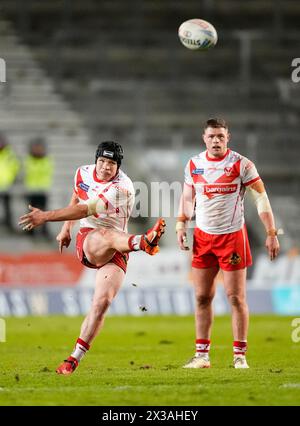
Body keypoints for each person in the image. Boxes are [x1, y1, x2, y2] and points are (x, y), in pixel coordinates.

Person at [19, 141, 166, 375]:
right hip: (90, 240)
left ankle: (73, 359)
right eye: (102, 161)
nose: (105, 167)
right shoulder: (83, 172)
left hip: (117, 247)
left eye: (111, 163)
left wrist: (46, 216)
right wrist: (66, 228)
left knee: (102, 302)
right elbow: (78, 199)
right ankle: (142, 243)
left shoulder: (123, 187)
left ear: (118, 166)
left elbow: (84, 208)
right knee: (107, 234)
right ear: (96, 160)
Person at [176, 118, 280, 369]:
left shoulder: (241, 164)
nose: (216, 141)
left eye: (220, 136)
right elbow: (188, 197)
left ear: (228, 138)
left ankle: (239, 356)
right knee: (202, 296)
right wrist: (181, 224)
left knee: (235, 297)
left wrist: (271, 232)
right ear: (204, 138)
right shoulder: (194, 165)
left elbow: (261, 199)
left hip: (232, 238)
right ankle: (202, 356)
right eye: (211, 136)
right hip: (203, 237)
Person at [24, 137, 54, 239]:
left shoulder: (46, 160)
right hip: (31, 190)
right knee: (30, 213)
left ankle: (44, 231)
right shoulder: (29, 160)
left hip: (42, 190)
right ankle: (30, 232)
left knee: (44, 212)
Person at [0, 133, 20, 231]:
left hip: (7, 185)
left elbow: (15, 166)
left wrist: (12, 179)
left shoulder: (10, 153)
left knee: (7, 207)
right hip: (4, 184)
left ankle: (8, 226)